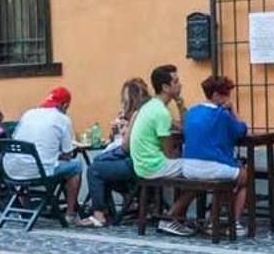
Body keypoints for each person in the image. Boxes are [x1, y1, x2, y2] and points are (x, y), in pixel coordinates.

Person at [87, 65, 178, 229]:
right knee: (99, 164)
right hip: (140, 160)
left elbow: (126, 146)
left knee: (94, 169)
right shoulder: (153, 109)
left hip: (139, 162)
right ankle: (106, 211)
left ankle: (100, 214)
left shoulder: (145, 112)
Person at [181, 74, 252, 229]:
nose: (228, 98)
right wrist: (233, 110)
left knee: (227, 177)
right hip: (211, 166)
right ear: (215, 95)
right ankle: (235, 223)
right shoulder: (221, 115)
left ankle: (213, 219)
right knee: (245, 177)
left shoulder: (191, 112)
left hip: (188, 166)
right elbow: (241, 130)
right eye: (225, 94)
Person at [7, 87, 85, 219]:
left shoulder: (29, 113)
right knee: (76, 166)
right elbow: (68, 154)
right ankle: (70, 213)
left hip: (12, 169)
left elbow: (16, 139)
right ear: (65, 105)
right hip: (39, 171)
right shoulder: (62, 119)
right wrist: (58, 154)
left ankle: (25, 211)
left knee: (35, 163)